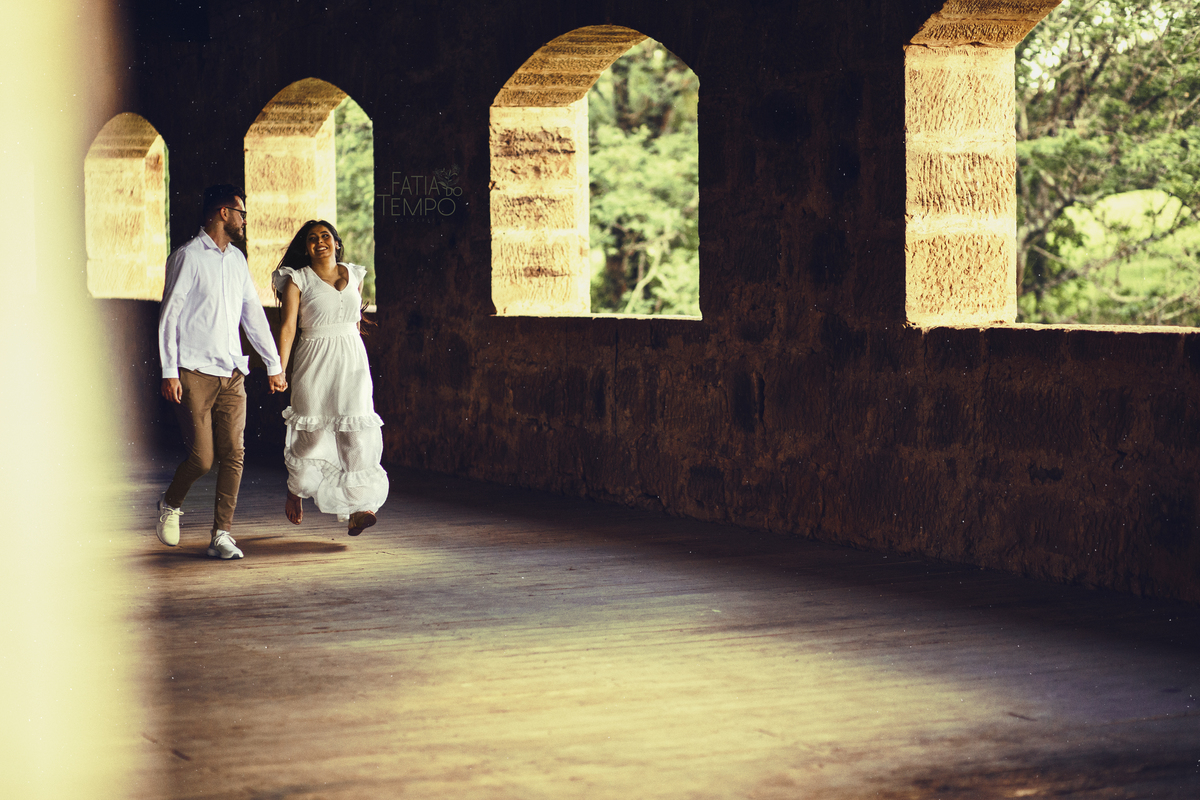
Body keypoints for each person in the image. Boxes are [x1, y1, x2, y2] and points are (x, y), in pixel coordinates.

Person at [155, 184, 288, 559]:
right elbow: (170, 316)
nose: (245, 219)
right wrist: (169, 371)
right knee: (202, 458)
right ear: (222, 213)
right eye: (241, 212)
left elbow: (253, 315)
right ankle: (170, 502)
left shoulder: (238, 260)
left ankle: (222, 534)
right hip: (193, 370)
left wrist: (273, 364)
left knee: (235, 452)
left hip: (233, 371)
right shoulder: (188, 257)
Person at [272, 220, 388, 535]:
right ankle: (295, 489)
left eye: (326, 236)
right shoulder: (297, 280)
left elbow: (352, 319)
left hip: (351, 360)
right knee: (310, 434)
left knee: (352, 433)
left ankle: (357, 509)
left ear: (336, 243)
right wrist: (279, 369)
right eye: (312, 238)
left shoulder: (355, 275)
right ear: (305, 247)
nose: (320, 241)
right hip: (313, 361)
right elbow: (289, 328)